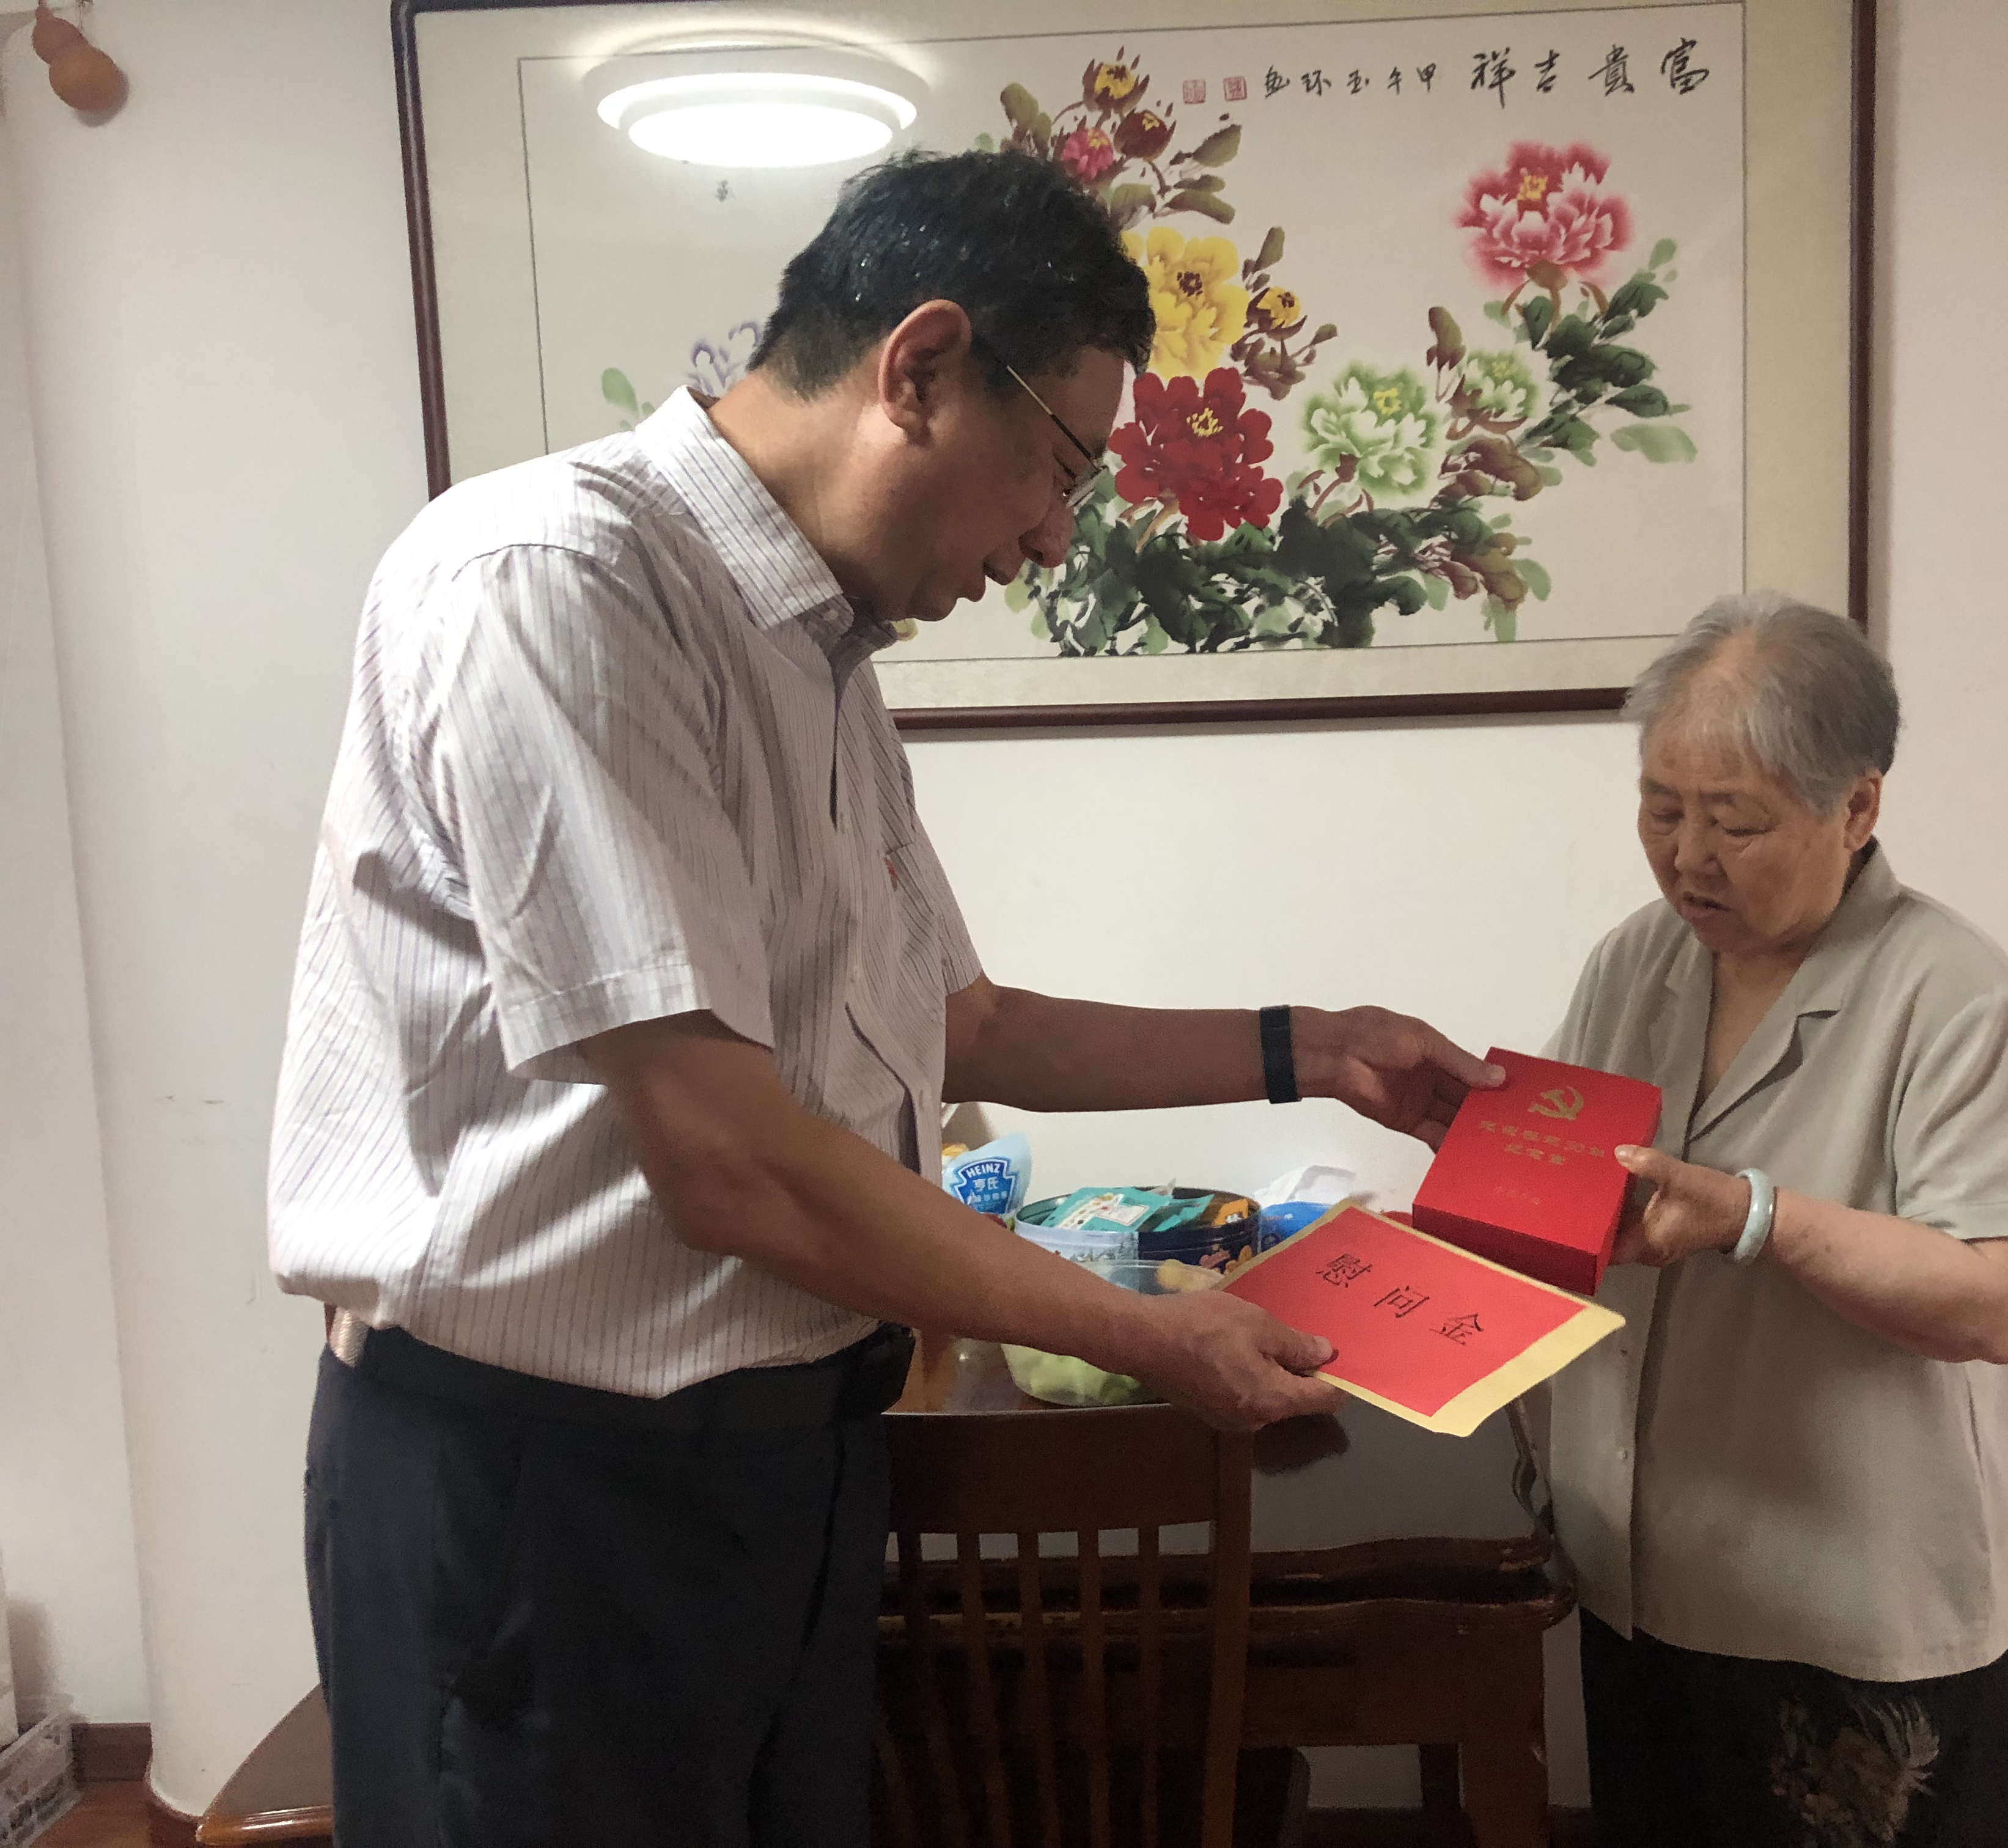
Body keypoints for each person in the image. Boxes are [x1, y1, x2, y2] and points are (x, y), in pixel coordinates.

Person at [268, 148, 1499, 1847]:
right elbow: (729, 1163)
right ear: (920, 367)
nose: (1054, 537)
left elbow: (966, 1027)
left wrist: (1313, 1048)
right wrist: (1152, 1337)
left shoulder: (820, 654)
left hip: (788, 1464)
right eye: (1060, 466)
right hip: (548, 1486)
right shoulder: (554, 581)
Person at [1537, 592, 2008, 1847]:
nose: (1689, 857)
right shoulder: (1638, 959)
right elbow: (1579, 1190)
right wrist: (1477, 1155)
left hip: (1849, 1604)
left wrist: (1756, 1218)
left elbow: (2001, 1303)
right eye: (1662, 809)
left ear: (1858, 806)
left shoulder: (1959, 997)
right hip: (1645, 1574)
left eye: (1735, 821)